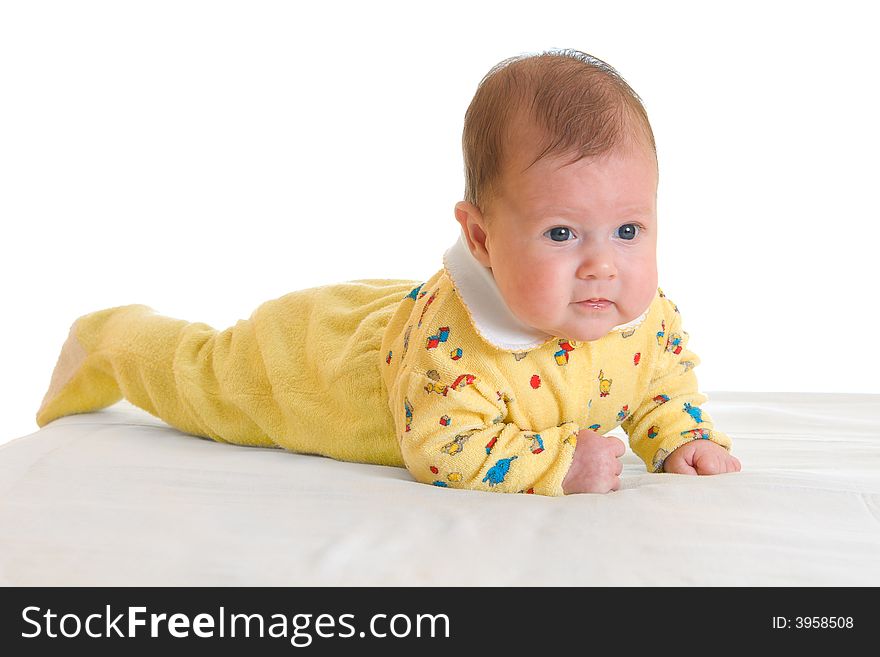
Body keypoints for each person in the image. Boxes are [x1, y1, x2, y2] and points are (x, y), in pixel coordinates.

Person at [36, 48, 741, 496]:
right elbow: (441, 445)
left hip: (399, 318)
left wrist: (682, 435)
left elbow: (657, 379)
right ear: (481, 238)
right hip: (324, 364)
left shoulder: (643, 316)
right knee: (207, 378)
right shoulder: (454, 352)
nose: (601, 264)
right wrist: (559, 464)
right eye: (561, 232)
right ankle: (108, 339)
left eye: (628, 230)